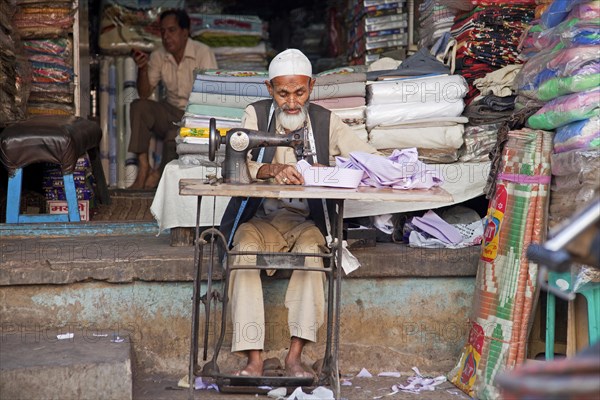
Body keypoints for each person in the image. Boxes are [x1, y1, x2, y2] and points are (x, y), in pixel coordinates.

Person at [219, 49, 379, 377]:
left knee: (312, 253)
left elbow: (370, 159)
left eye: (300, 92)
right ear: (269, 89)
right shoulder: (256, 115)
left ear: (312, 86)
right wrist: (268, 169)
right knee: (243, 253)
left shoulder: (324, 122)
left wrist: (330, 169)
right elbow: (237, 161)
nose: (292, 102)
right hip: (260, 220)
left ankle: (294, 357)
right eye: (283, 93)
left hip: (305, 221)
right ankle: (254, 359)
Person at [128, 9, 217, 189]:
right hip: (170, 112)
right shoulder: (159, 55)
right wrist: (142, 69)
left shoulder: (202, 52)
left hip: (196, 115)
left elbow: (211, 96)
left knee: (173, 136)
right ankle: (144, 168)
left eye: (172, 30)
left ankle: (158, 177)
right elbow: (144, 93)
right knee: (139, 106)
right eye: (163, 32)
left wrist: (188, 123)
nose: (166, 36)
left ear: (185, 32)